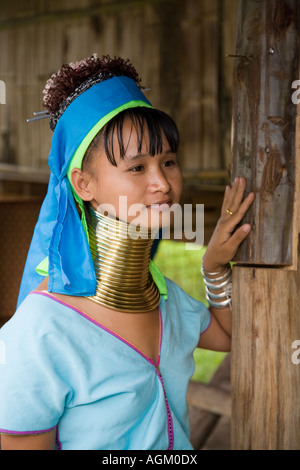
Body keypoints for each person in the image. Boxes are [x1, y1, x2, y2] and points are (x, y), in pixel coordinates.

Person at [0, 54, 254, 450]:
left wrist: (214, 266)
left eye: (168, 161)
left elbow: (228, 335)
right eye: (137, 168)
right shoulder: (43, 330)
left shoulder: (162, 298)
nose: (163, 183)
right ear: (84, 184)